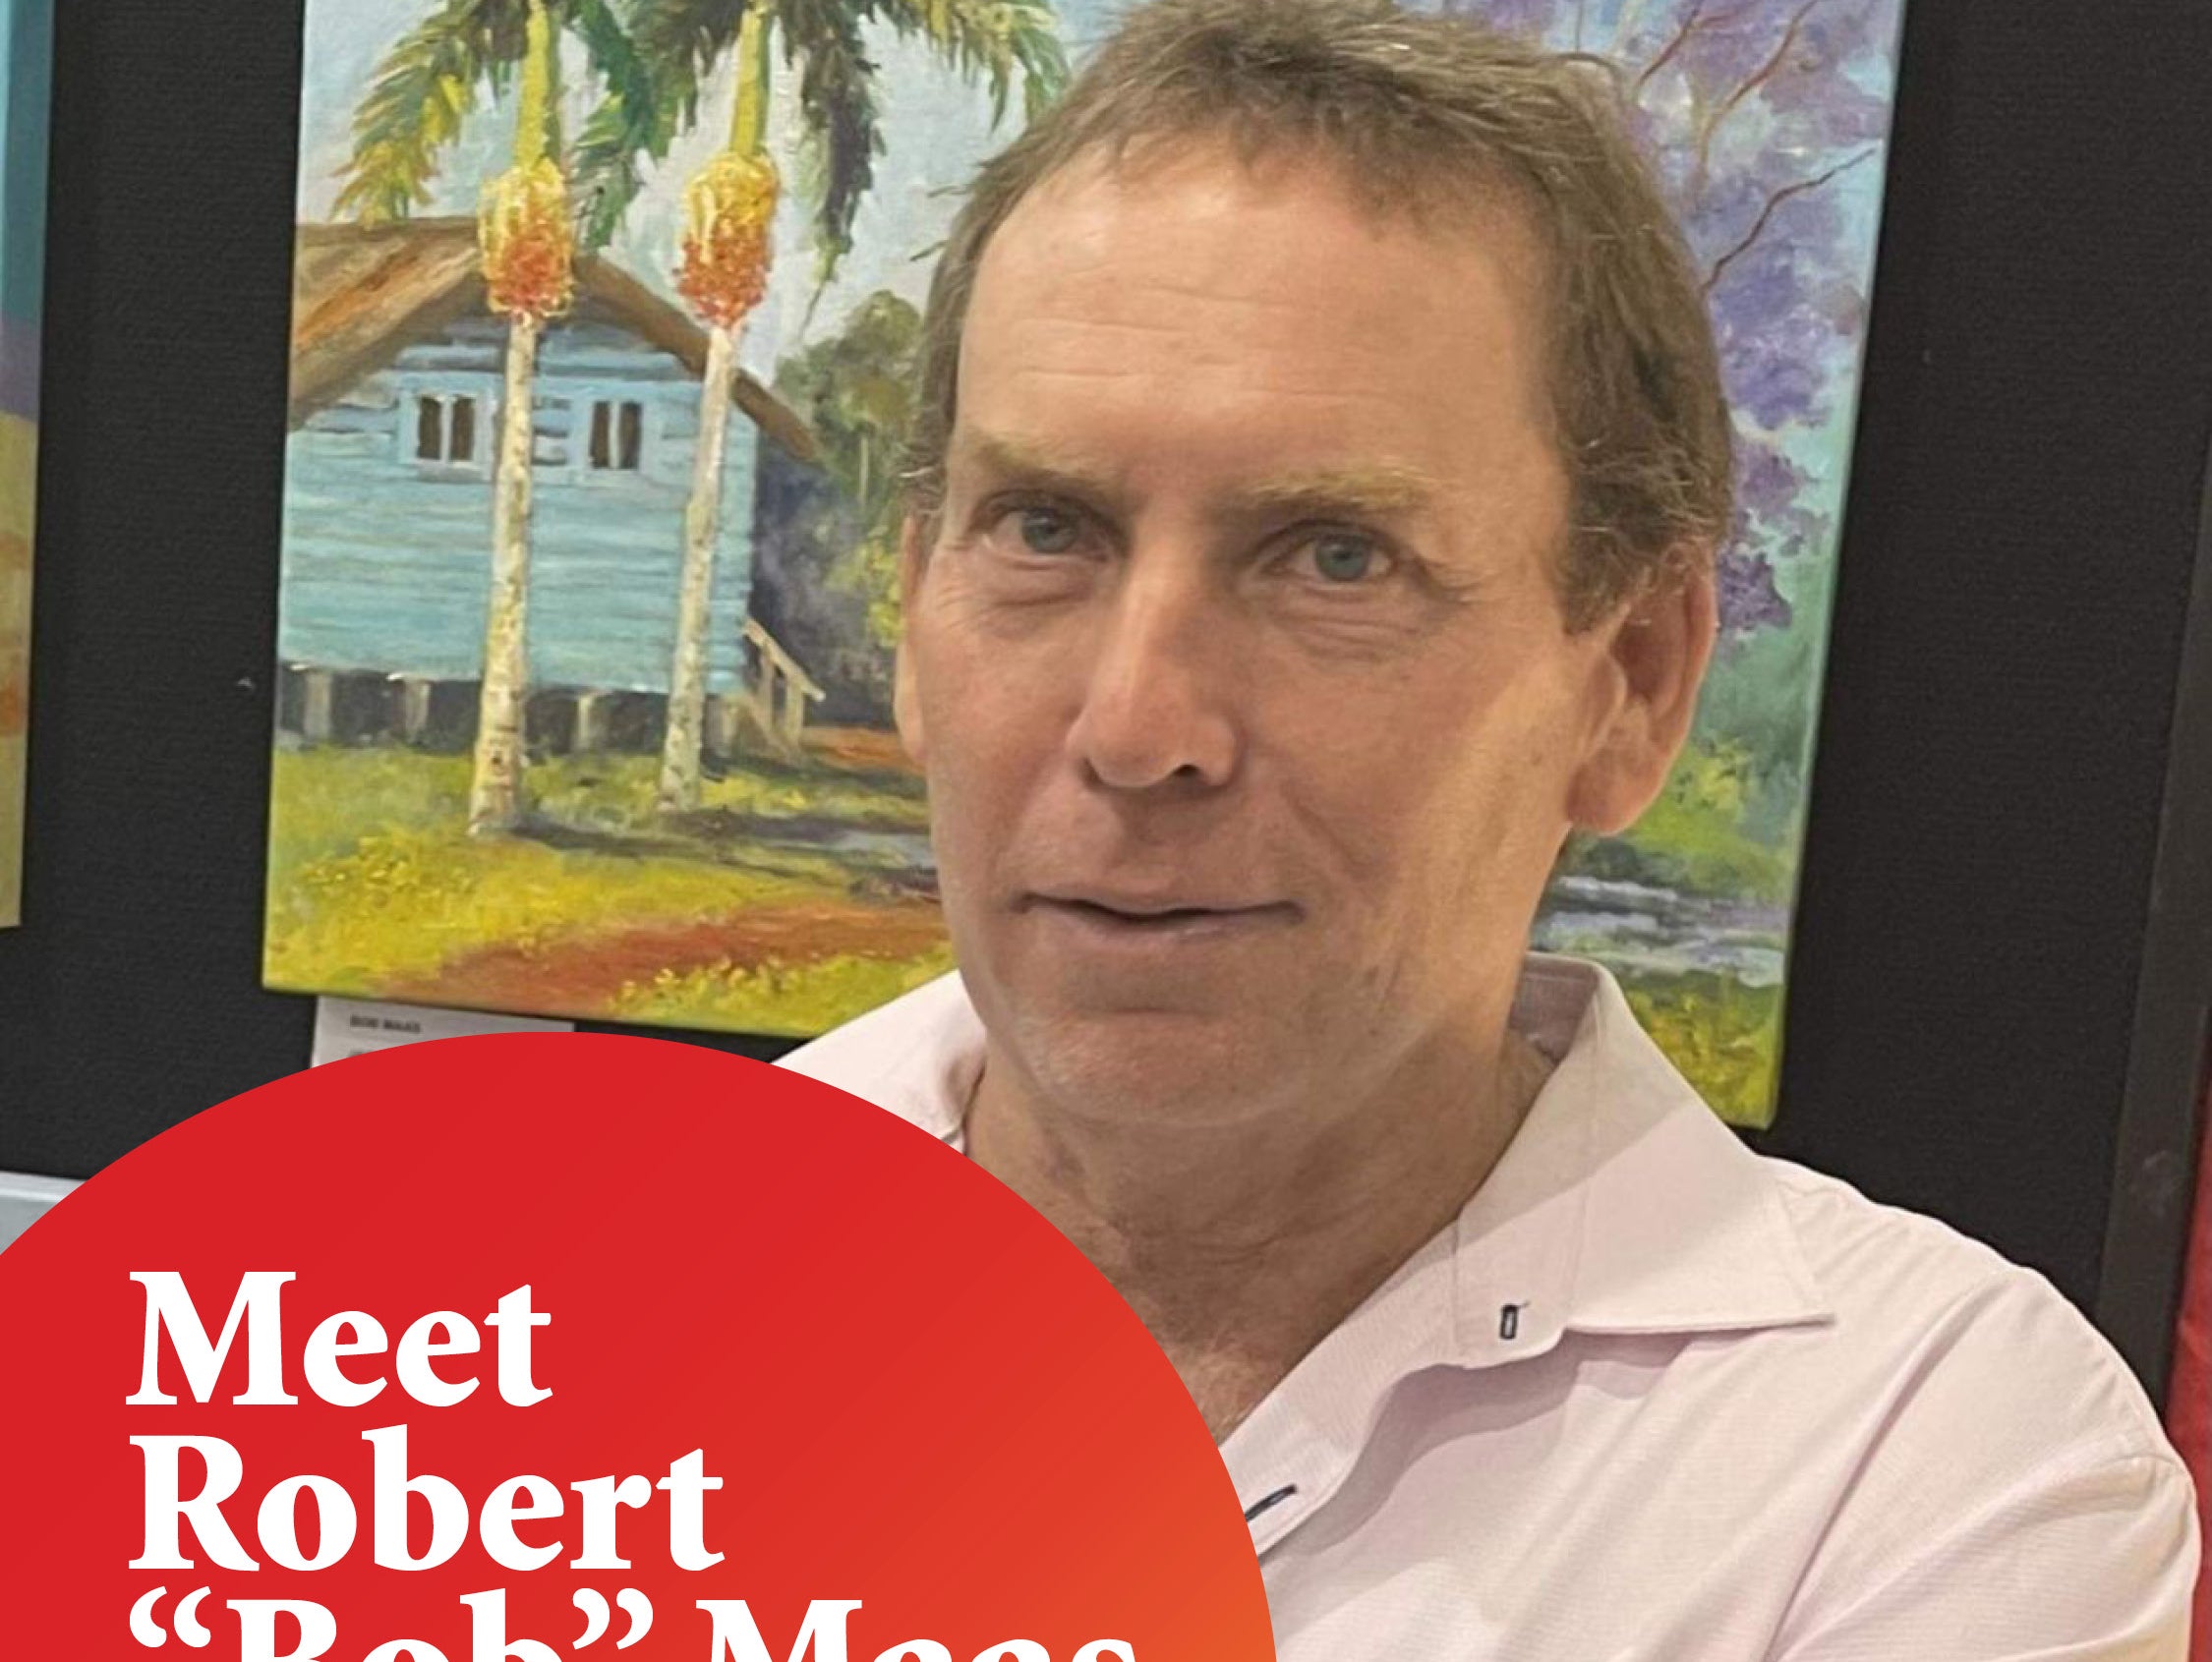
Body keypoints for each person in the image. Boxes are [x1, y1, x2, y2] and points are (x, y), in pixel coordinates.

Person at [778, 0, 2202, 1651]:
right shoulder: (541, 1308)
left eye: (1332, 557)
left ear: (1631, 684)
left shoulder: (1914, 1466)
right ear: (909, 611)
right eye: (1043, 527)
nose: (1134, 726)